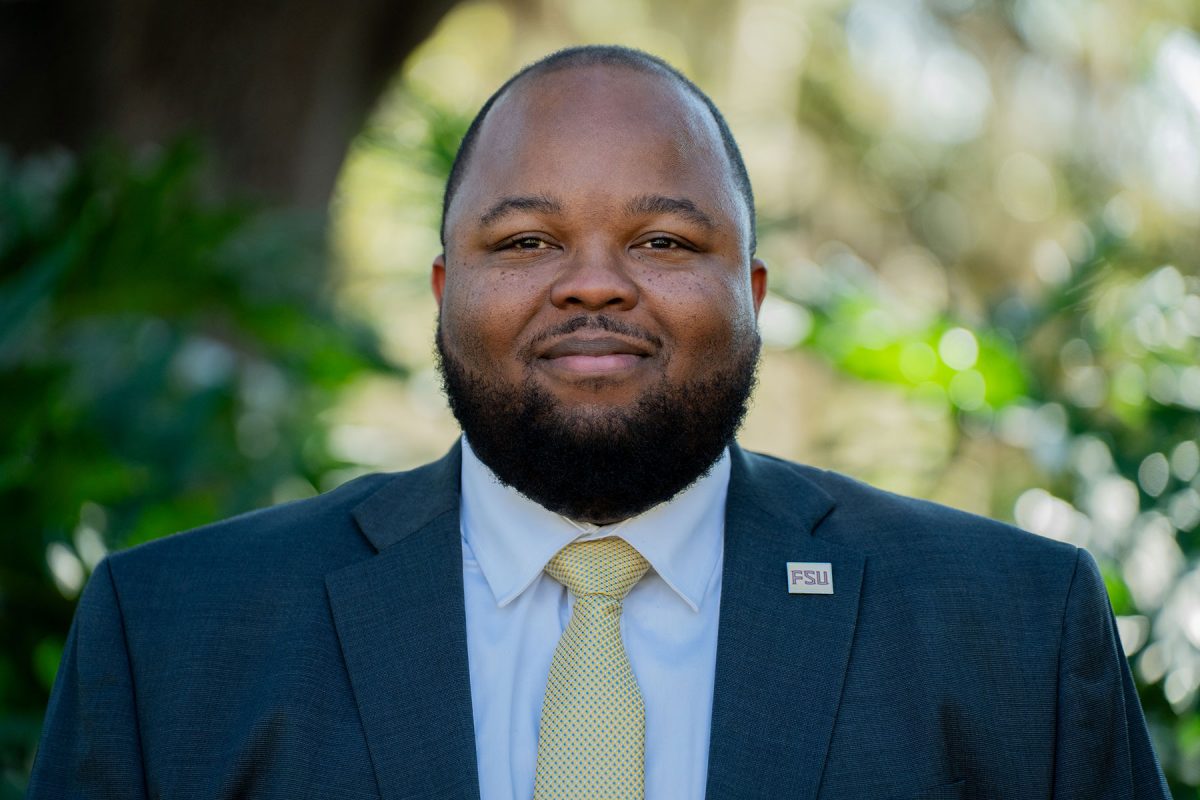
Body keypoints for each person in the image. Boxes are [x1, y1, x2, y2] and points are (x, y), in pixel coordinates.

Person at [29, 45, 1168, 800]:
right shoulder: (171, 637)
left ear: (755, 297)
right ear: (440, 291)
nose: (593, 284)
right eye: (526, 241)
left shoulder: (1016, 631)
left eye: (664, 242)